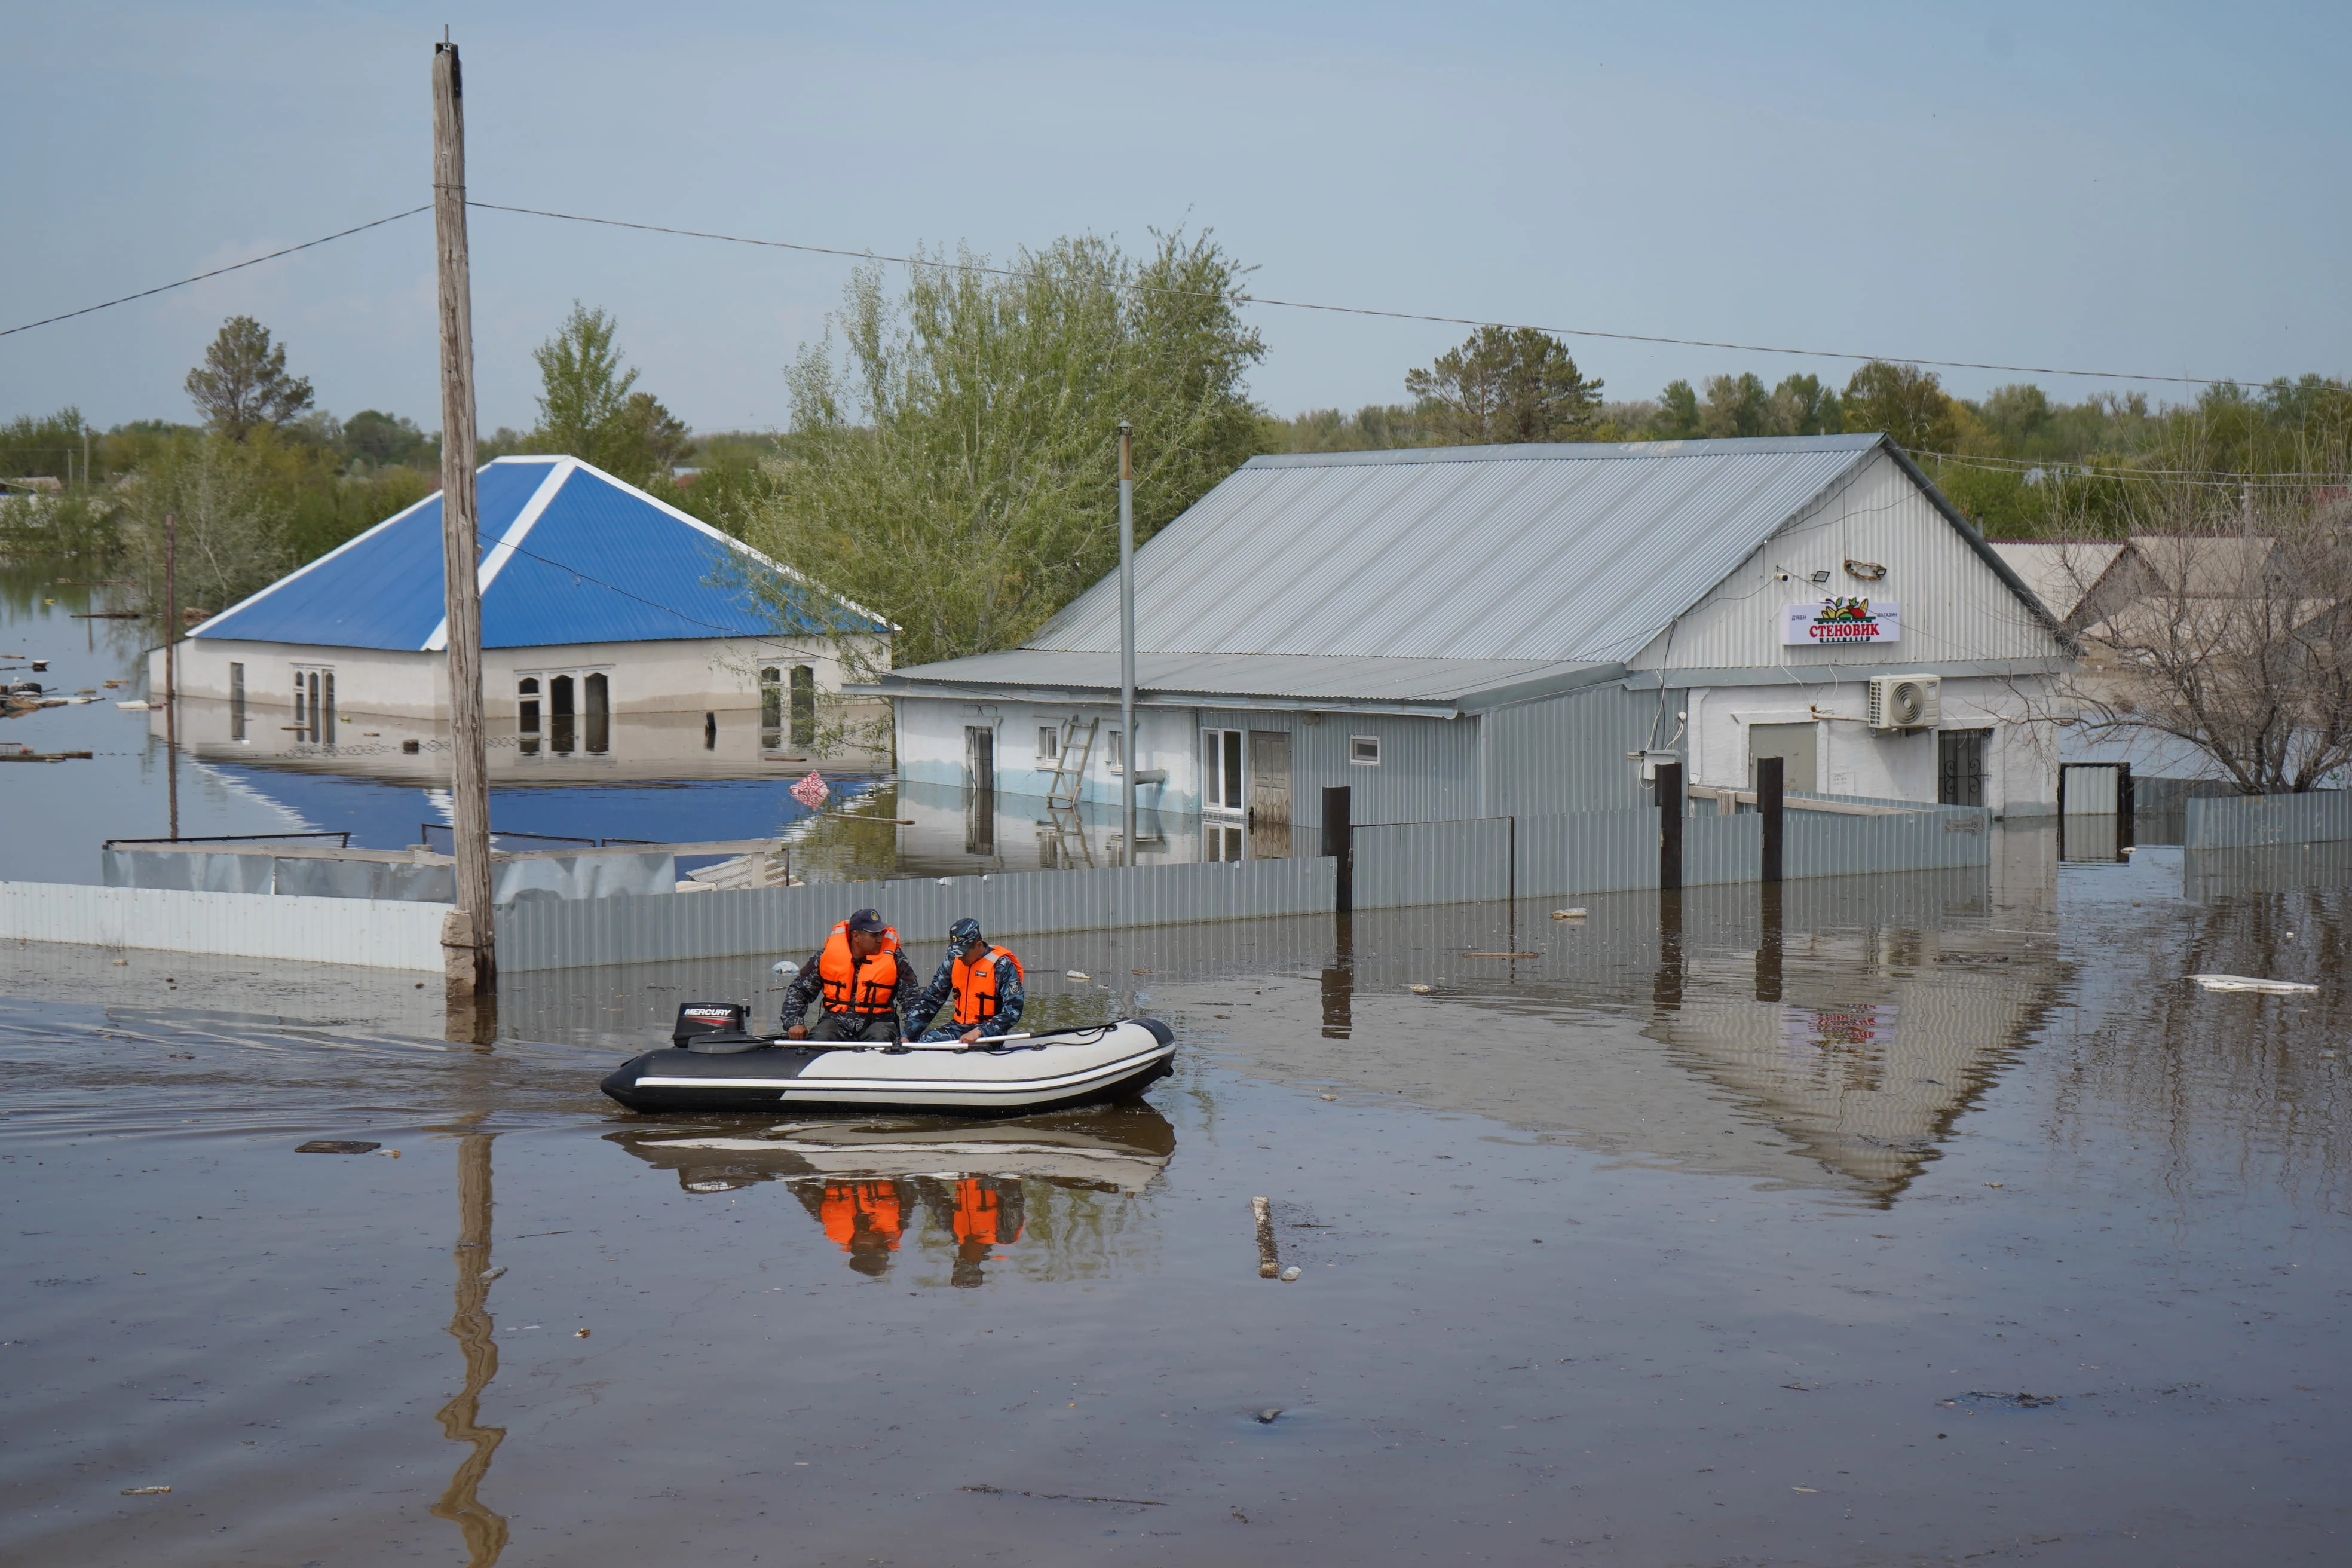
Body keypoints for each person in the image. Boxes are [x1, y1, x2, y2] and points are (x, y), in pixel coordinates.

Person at [777, 908, 917, 1043]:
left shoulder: (895, 958)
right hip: (836, 1023)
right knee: (821, 1036)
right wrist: (795, 1022)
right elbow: (799, 990)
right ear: (856, 936)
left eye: (881, 934)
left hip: (880, 1023)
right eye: (874, 935)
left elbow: (912, 999)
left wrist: (911, 1034)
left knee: (880, 1036)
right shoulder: (826, 957)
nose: (880, 940)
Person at [908, 918, 1026, 1045]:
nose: (960, 957)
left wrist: (979, 1031)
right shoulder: (953, 961)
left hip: (989, 1033)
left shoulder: (1001, 965)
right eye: (957, 953)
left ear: (979, 945)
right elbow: (932, 998)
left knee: (930, 1040)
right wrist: (908, 1036)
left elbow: (1013, 1011)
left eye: (964, 953)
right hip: (959, 1027)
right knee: (926, 1039)